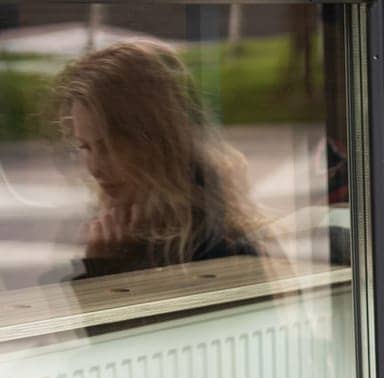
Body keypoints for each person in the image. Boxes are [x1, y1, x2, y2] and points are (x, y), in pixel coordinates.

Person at [55, 40, 268, 278]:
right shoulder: (121, 232)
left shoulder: (218, 249)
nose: (94, 168)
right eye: (86, 148)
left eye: (109, 147)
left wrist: (103, 273)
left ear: (154, 143)